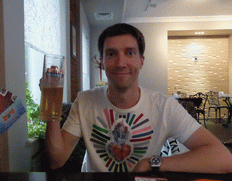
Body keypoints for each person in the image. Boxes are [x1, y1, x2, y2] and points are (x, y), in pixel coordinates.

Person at [44, 23, 232, 173]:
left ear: (141, 60)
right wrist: (51, 99)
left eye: (130, 53)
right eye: (111, 54)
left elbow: (224, 158)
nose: (120, 63)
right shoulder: (84, 101)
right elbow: (56, 161)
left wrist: (154, 162)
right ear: (101, 62)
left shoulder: (165, 106)